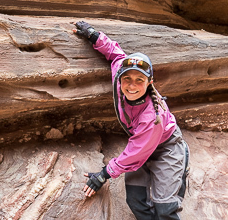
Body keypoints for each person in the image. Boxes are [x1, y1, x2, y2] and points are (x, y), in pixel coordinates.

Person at [73, 21, 190, 220]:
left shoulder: (153, 117)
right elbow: (116, 54)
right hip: (143, 146)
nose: (132, 85)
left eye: (139, 80)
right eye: (127, 78)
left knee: (165, 210)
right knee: (136, 201)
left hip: (167, 149)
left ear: (150, 82)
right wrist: (94, 36)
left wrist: (103, 175)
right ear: (120, 78)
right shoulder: (119, 78)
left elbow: (135, 152)